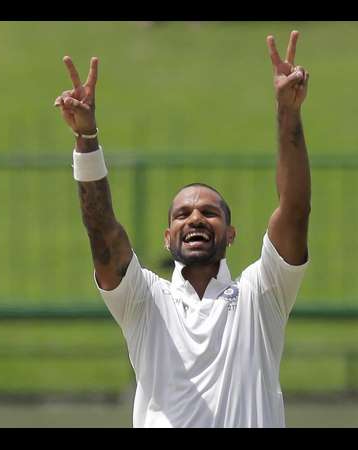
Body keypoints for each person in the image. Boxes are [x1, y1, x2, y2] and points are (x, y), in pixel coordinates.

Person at [54, 30, 311, 428]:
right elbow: (102, 231)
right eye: (182, 214)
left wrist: (288, 112)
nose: (195, 218)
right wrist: (86, 139)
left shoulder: (262, 295)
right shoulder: (145, 301)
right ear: (167, 237)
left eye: (209, 212)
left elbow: (294, 211)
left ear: (230, 233)